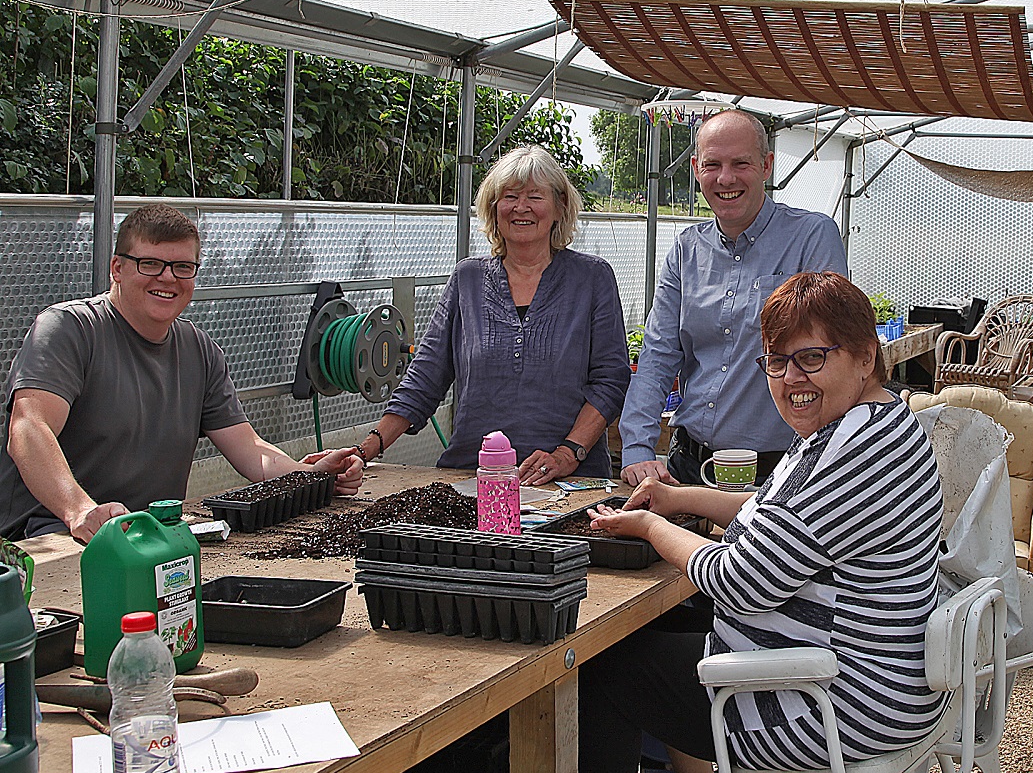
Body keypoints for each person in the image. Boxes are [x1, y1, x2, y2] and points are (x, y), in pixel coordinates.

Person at [574, 272, 946, 773]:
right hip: (894, 686)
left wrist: (654, 529)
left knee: (604, 670)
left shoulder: (844, 454)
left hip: (835, 705)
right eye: (776, 360)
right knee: (672, 642)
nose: (791, 377)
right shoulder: (883, 424)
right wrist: (681, 497)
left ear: (865, 355)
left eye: (812, 356)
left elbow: (737, 580)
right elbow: (779, 511)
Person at [0, 203, 364, 543]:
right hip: (51, 535)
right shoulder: (68, 329)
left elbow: (251, 449)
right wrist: (80, 511)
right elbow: (28, 428)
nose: (168, 278)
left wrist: (311, 479)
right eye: (150, 264)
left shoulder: (199, 351)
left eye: (182, 267)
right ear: (117, 269)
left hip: (149, 536)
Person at [357, 145, 631, 483]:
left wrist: (567, 453)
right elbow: (425, 377)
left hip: (570, 482)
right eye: (510, 196)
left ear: (560, 206)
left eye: (535, 196)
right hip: (472, 474)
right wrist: (364, 450)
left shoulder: (591, 278)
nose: (521, 208)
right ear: (493, 207)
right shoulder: (467, 278)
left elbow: (610, 380)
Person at [618, 109, 848, 489]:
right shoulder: (687, 250)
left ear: (766, 166)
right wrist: (639, 447)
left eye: (741, 163)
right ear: (695, 168)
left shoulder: (811, 238)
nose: (726, 178)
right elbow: (659, 353)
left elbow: (829, 354)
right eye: (712, 165)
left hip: (778, 473)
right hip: (688, 467)